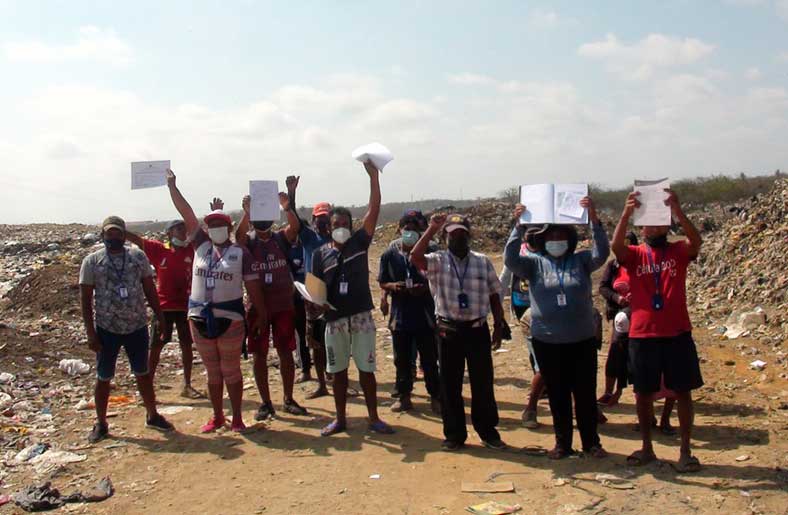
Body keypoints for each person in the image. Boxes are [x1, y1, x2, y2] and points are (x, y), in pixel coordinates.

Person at [504, 196, 609, 459]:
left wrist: (594, 219)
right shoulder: (534, 264)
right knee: (558, 395)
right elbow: (510, 259)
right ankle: (563, 443)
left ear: (571, 240)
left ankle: (591, 443)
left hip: (582, 340)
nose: (556, 240)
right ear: (543, 242)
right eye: (551, 237)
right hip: (547, 341)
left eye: (561, 235)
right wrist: (518, 226)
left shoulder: (582, 261)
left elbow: (603, 253)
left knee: (584, 394)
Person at [166, 170, 267, 433]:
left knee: (231, 372)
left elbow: (254, 288)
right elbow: (186, 212)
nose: (216, 229)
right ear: (206, 229)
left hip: (230, 319)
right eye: (212, 225)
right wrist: (172, 186)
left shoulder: (240, 253)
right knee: (212, 373)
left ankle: (236, 419)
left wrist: (261, 315)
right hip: (198, 319)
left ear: (229, 228)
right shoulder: (200, 245)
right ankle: (217, 416)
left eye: (221, 224)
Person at [612, 189, 703, 472]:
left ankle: (685, 450)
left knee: (683, 392)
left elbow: (696, 242)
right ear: (641, 227)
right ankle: (647, 447)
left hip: (677, 332)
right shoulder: (636, 255)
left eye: (660, 222)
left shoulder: (677, 251)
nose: (654, 227)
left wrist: (677, 209)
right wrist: (626, 214)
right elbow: (616, 248)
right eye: (648, 223)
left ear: (667, 225)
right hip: (643, 334)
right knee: (643, 393)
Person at [311, 160, 394, 437]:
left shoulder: (360, 242)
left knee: (366, 369)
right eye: (336, 224)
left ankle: (373, 417)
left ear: (351, 225)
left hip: (360, 316)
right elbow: (314, 291)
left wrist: (373, 178)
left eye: (345, 223)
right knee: (338, 372)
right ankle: (340, 419)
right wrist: (316, 304)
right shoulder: (320, 254)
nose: (341, 227)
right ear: (329, 226)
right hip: (334, 319)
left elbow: (374, 209)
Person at [411, 213, 507, 452]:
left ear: (469, 234)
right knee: (450, 385)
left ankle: (488, 432)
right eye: (453, 233)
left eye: (462, 232)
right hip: (448, 331)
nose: (458, 237)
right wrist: (432, 228)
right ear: (446, 237)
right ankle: (454, 435)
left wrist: (498, 323)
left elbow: (494, 293)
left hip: (477, 329)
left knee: (482, 383)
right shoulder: (437, 260)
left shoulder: (482, 261)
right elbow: (415, 257)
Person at [79, 216, 174, 443]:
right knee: (104, 377)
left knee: (142, 373)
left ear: (124, 234)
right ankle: (101, 423)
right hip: (107, 328)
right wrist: (90, 333)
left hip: (136, 326)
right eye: (109, 234)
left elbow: (150, 289)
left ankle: (152, 414)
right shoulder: (92, 262)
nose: (113, 238)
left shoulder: (137, 257)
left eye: (118, 233)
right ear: (102, 235)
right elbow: (85, 299)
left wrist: (160, 318)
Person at [236, 192, 308, 420]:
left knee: (286, 352)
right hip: (257, 309)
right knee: (259, 354)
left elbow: (295, 228)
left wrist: (287, 207)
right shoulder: (249, 241)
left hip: (283, 306)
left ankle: (288, 398)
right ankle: (265, 402)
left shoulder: (279, 238)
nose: (262, 222)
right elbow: (237, 236)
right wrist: (247, 213)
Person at [125, 220, 201, 398]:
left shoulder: (191, 250)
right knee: (156, 346)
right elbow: (139, 241)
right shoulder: (160, 250)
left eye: (184, 228)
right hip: (164, 308)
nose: (182, 231)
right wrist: (121, 231)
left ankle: (187, 385)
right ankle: (147, 387)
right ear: (169, 233)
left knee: (186, 345)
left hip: (185, 306)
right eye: (178, 228)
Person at [378, 211, 441, 414]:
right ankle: (404, 396)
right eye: (406, 229)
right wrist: (391, 288)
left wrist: (425, 288)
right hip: (400, 316)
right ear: (399, 229)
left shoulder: (431, 252)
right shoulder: (389, 254)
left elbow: (439, 280)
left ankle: (436, 397)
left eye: (414, 230)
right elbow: (382, 281)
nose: (410, 233)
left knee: (430, 359)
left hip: (425, 314)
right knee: (402, 359)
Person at [288, 175, 331, 399]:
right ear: (314, 220)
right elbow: (293, 216)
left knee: (334, 339)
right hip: (312, 295)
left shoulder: (338, 239)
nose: (323, 223)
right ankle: (321, 382)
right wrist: (292, 193)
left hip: (333, 297)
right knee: (314, 340)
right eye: (320, 219)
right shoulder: (308, 237)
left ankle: (335, 376)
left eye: (326, 218)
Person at [503, 206, 546, 429]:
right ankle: (532, 406)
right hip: (528, 311)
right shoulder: (520, 253)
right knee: (541, 362)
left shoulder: (553, 254)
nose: (534, 236)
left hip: (557, 314)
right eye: (531, 231)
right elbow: (506, 269)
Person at [288, 236, 311, 383]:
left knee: (319, 336)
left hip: (314, 297)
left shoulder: (310, 247)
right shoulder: (288, 250)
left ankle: (329, 370)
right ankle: (305, 369)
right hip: (296, 299)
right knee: (301, 335)